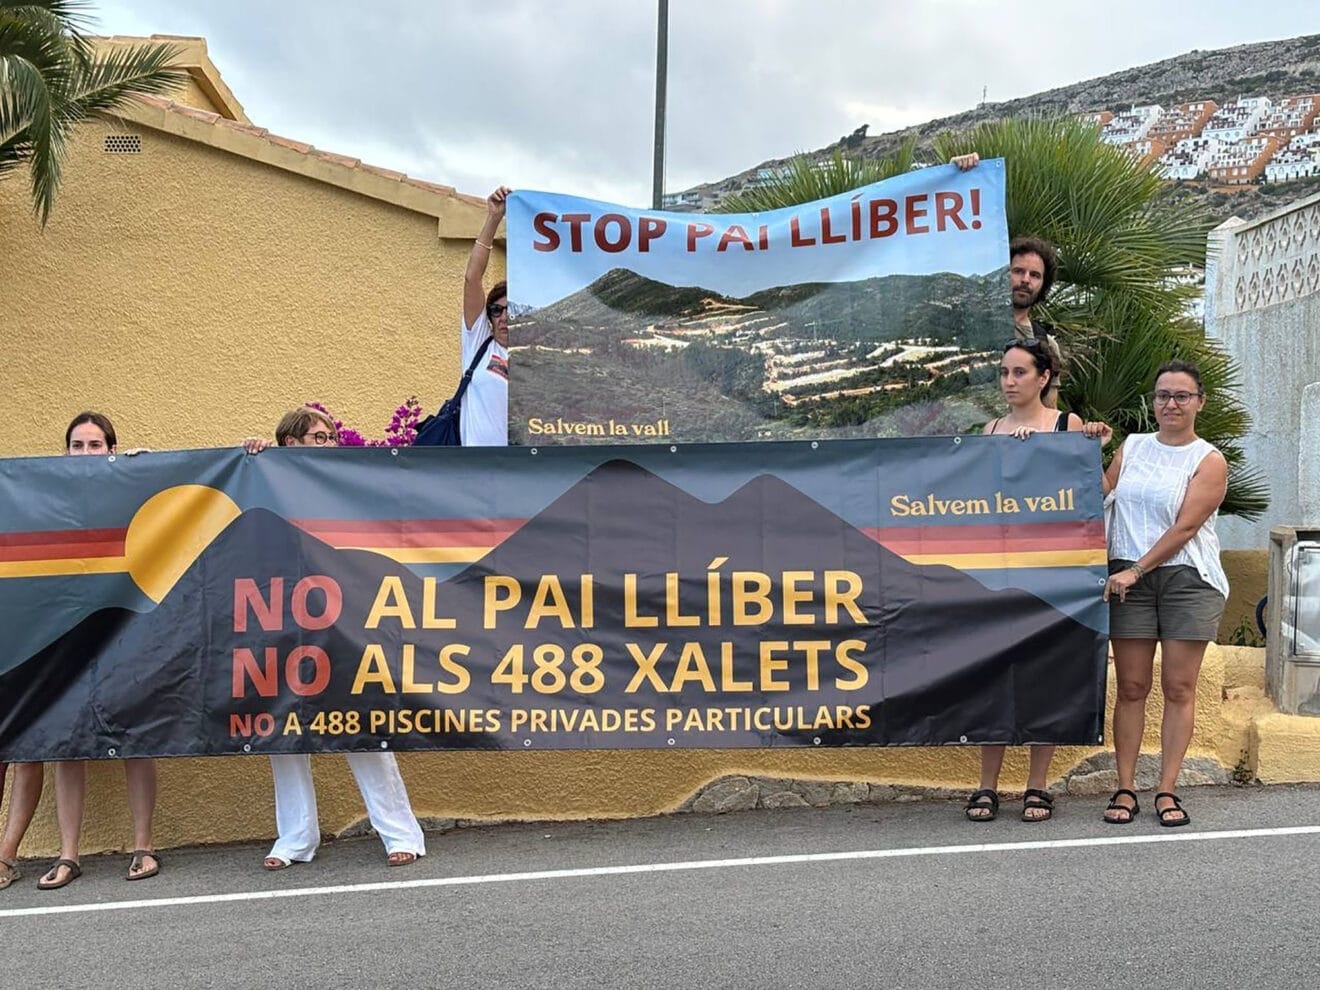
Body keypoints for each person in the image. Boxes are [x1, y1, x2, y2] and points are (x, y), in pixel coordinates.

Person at [244, 405, 427, 869]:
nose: (329, 444)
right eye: (318, 438)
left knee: (359, 721)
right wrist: (255, 455)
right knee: (283, 729)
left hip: (342, 620)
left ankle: (400, 833)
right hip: (282, 619)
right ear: (291, 443)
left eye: (330, 437)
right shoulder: (267, 478)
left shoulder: (341, 484)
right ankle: (294, 839)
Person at [0, 412, 160, 891]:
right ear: (65, 451)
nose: (86, 453)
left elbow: (165, 505)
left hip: (121, 625)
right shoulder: (44, 493)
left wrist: (148, 468)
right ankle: (69, 854)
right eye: (78, 445)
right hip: (62, 632)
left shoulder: (128, 484)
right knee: (65, 740)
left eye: (96, 445)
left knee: (136, 735)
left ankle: (144, 846)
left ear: (111, 449)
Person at [964, 341, 1110, 823]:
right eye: (1004, 372)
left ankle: (1037, 786)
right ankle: (987, 786)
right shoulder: (991, 430)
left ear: (1043, 377)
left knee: (1047, 676)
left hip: (1055, 573)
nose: (1009, 381)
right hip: (1000, 571)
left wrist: (1071, 449)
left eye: (1020, 372)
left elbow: (1097, 492)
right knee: (994, 675)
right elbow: (976, 495)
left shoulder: (1068, 425)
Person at [1101, 360, 1228, 828]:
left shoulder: (1209, 460)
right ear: (1152, 402)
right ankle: (1125, 787)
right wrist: (1087, 450)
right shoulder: (1132, 447)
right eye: (1162, 395)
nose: (1171, 404)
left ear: (1199, 403)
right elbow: (1099, 492)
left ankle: (1167, 789)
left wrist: (1138, 570)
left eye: (1181, 396)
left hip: (1186, 579)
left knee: (1179, 687)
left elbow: (1186, 527)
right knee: (1131, 687)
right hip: (1125, 575)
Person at [950, 153, 1064, 408]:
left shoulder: (1046, 344)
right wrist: (957, 176)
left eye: (1035, 275)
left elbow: (1050, 410)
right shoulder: (970, 323)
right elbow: (952, 243)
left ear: (1043, 284)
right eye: (1018, 271)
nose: (1026, 280)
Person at [460, 186, 512, 447]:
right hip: (476, 466)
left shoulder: (536, 358)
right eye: (496, 310)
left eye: (510, 309)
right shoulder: (479, 342)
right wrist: (494, 217)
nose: (503, 317)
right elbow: (473, 278)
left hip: (522, 467)